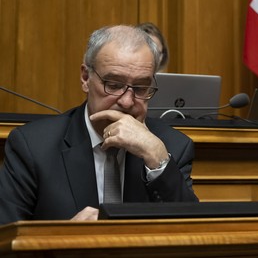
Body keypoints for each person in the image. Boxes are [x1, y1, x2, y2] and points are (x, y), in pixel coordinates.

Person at [0, 25, 198, 225]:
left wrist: (158, 160)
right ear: (86, 78)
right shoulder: (33, 147)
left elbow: (194, 234)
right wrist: (63, 238)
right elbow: (6, 239)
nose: (127, 102)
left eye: (140, 88)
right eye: (113, 85)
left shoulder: (172, 146)